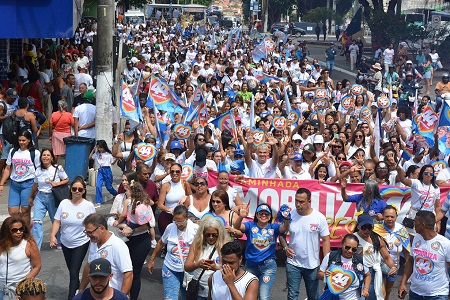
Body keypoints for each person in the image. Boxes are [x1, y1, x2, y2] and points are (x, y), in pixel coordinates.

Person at [279, 188, 330, 300]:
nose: (298, 204)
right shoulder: (289, 216)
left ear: (309, 201)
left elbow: (326, 240)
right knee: (292, 296)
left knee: (313, 297)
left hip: (312, 265)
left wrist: (326, 262)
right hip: (293, 264)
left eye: (301, 202)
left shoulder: (319, 217)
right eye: (296, 201)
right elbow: (281, 233)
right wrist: (285, 247)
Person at [50, 176, 96, 300]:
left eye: (80, 189)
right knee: (72, 270)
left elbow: (95, 223)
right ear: (70, 189)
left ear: (84, 191)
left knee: (74, 271)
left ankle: (72, 297)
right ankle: (77, 289)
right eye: (74, 188)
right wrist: (53, 235)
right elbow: (57, 221)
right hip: (65, 242)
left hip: (81, 242)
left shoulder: (88, 206)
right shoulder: (64, 203)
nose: (77, 191)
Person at [234, 203, 290, 300]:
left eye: (266, 214)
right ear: (256, 215)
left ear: (270, 216)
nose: (263, 216)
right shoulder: (250, 226)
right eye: (261, 213)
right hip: (251, 266)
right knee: (250, 296)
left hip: (268, 267)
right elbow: (237, 226)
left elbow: (285, 228)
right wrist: (241, 217)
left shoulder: (274, 227)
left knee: (263, 297)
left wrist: (286, 218)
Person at [148, 205, 199, 300]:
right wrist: (152, 259)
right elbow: (161, 243)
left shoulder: (196, 229)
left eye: (181, 221)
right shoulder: (170, 228)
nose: (178, 224)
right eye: (176, 221)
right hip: (170, 268)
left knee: (188, 297)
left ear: (187, 218)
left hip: (188, 270)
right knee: (170, 298)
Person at [398, 211, 450, 299]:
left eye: (415, 222)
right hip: (415, 293)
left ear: (422, 225)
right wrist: (403, 283)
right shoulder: (416, 238)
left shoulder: (445, 244)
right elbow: (411, 261)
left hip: (437, 295)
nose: (413, 224)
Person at [80, 213, 133, 295]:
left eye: (90, 232)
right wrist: (81, 291)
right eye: (86, 232)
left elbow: (128, 274)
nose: (88, 236)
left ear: (101, 228)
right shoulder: (94, 243)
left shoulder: (117, 246)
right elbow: (89, 266)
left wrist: (121, 297)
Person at [29, 148, 69, 250]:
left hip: (53, 197)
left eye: (48, 155)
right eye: (44, 155)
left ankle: (59, 240)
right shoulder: (38, 169)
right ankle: (36, 247)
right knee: (36, 222)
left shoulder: (57, 168)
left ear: (51, 157)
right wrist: (31, 197)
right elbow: (35, 184)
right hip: (40, 198)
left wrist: (57, 183)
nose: (45, 157)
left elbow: (66, 179)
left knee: (56, 220)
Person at [0, 130, 40, 225]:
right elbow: (8, 168)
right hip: (14, 185)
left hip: (28, 184)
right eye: (20, 140)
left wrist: (37, 186)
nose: (21, 142)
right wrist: (1, 184)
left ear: (29, 140)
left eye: (24, 140)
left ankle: (25, 233)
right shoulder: (13, 151)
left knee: (25, 211)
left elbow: (39, 171)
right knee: (12, 212)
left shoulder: (35, 153)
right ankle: (19, 227)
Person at [354, 214, 397, 300]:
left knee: (378, 295)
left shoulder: (377, 239)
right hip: (358, 272)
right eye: (363, 227)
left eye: (369, 227)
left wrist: (392, 267)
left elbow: (387, 258)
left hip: (374, 272)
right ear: (358, 226)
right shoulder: (353, 239)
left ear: (373, 227)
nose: (366, 230)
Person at [372, 205, 411, 300]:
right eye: (387, 216)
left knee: (388, 290)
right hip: (378, 266)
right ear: (383, 217)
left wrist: (409, 267)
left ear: (396, 217)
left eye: (392, 217)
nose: (389, 219)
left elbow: (407, 252)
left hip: (394, 267)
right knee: (381, 292)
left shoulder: (401, 230)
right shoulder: (376, 229)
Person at [184, 218, 228, 300]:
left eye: (214, 235)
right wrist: (198, 264)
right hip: (199, 288)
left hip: (218, 289)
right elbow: (187, 267)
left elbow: (230, 271)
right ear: (203, 234)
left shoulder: (225, 246)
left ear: (219, 234)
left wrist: (215, 268)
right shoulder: (197, 244)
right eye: (208, 235)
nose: (211, 237)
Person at [318, 234, 371, 299]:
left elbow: (367, 275)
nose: (350, 251)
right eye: (347, 247)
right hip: (332, 297)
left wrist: (366, 289)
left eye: (354, 249)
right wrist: (325, 275)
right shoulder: (331, 256)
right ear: (342, 244)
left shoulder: (360, 260)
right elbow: (319, 274)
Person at [0, 216, 41, 298]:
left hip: (21, 290)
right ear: (7, 232)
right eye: (14, 230)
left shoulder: (29, 244)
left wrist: (23, 284)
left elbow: (37, 266)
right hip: (2, 288)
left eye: (21, 229)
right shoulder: (1, 244)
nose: (19, 232)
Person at [396, 164, 440, 235]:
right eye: (426, 173)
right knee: (412, 236)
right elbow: (403, 180)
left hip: (429, 216)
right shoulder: (416, 183)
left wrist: (438, 222)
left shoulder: (436, 188)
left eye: (431, 174)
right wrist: (399, 171)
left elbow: (437, 206)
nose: (428, 175)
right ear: (422, 173)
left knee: (428, 236)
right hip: (415, 214)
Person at [157, 163, 191, 235]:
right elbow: (159, 205)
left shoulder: (185, 184)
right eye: (172, 171)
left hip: (181, 217)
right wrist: (169, 209)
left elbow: (192, 198)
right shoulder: (165, 186)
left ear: (181, 172)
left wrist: (186, 197)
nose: (174, 173)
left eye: (177, 171)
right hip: (168, 216)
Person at [89, 140, 118, 208]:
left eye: (100, 147)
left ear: (104, 147)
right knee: (98, 185)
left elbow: (112, 163)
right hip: (100, 170)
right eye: (98, 147)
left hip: (107, 170)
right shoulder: (97, 153)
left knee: (108, 187)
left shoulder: (109, 154)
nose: (99, 149)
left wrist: (116, 158)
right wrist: (93, 149)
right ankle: (98, 201)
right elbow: (90, 157)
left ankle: (116, 194)